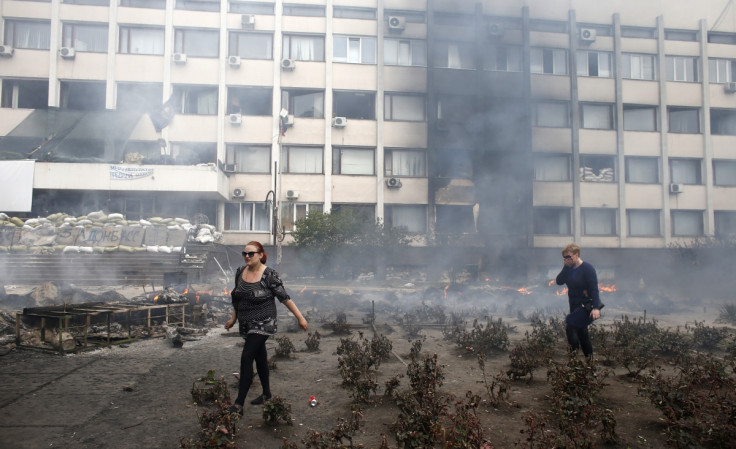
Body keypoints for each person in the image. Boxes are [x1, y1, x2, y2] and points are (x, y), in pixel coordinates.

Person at [225, 241, 308, 415]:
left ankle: (238, 404)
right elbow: (236, 298)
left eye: (251, 254)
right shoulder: (240, 272)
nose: (247, 256)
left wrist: (300, 317)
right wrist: (233, 319)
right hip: (246, 323)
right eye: (244, 253)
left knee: (247, 356)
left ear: (261, 255)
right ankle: (267, 394)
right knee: (260, 356)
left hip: (264, 321)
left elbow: (284, 298)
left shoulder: (270, 275)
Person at [555, 243, 602, 358]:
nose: (567, 259)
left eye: (569, 256)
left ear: (577, 255)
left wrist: (596, 308)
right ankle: (590, 363)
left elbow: (594, 289)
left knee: (570, 325)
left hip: (586, 306)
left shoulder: (587, 268)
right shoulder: (569, 269)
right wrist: (565, 267)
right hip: (574, 305)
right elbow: (559, 281)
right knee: (582, 333)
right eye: (565, 258)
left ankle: (573, 360)